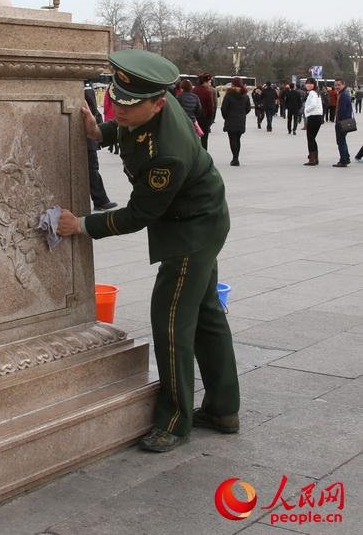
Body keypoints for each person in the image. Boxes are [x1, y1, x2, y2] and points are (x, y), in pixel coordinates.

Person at [55, 49, 239, 453]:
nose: (118, 109)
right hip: (203, 218)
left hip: (190, 233)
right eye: (115, 101)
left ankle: (174, 422)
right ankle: (224, 410)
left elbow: (139, 214)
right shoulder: (151, 100)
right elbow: (128, 126)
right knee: (207, 313)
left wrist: (80, 226)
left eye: (129, 105)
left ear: (158, 103)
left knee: (172, 323)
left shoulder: (168, 154)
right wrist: (100, 131)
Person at [84, 80, 117, 211]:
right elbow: (92, 109)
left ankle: (101, 199)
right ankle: (100, 200)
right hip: (87, 136)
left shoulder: (85, 88)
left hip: (89, 133)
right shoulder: (87, 89)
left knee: (91, 169)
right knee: (92, 168)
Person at [220, 78, 251, 166]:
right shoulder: (245, 96)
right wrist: (242, 114)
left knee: (232, 139)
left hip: (230, 120)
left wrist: (226, 117)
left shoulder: (229, 95)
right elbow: (248, 109)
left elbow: (224, 109)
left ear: (233, 85)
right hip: (241, 120)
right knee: (237, 139)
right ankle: (236, 157)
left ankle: (235, 158)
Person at [302, 78, 324, 166]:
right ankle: (315, 158)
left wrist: (306, 110)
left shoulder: (312, 93)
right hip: (318, 117)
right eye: (307, 84)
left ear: (314, 85)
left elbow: (313, 104)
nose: (308, 85)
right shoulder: (316, 92)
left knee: (310, 138)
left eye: (311, 84)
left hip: (313, 117)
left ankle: (312, 159)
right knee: (312, 138)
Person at [333, 79, 353, 167]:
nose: (337, 87)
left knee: (341, 141)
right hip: (343, 121)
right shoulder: (343, 93)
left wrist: (339, 122)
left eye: (339, 85)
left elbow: (343, 110)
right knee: (342, 140)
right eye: (335, 85)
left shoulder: (344, 95)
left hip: (342, 121)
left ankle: (344, 160)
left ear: (343, 85)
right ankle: (346, 158)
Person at [194, 74, 217, 149]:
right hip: (205, 118)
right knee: (204, 139)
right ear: (204, 82)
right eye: (209, 82)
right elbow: (210, 108)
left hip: (194, 119)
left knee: (195, 138)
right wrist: (210, 119)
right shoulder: (207, 92)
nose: (210, 84)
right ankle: (204, 154)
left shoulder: (194, 90)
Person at [102, 87, 119, 154]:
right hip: (116, 112)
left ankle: (113, 147)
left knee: (110, 129)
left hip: (109, 112)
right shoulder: (118, 89)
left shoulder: (108, 91)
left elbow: (106, 103)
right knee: (116, 129)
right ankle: (112, 147)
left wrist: (105, 112)